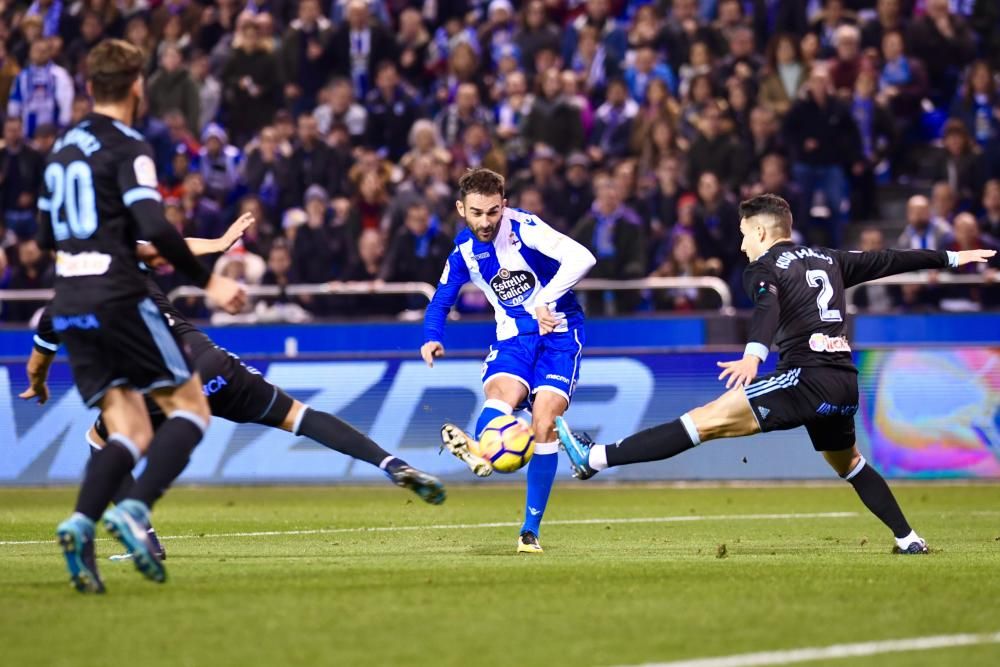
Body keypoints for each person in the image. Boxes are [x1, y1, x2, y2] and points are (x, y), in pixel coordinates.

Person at [555, 194, 996, 555]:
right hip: (843, 382)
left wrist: (753, 354)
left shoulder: (764, 268)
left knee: (703, 422)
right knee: (850, 463)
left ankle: (594, 459)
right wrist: (954, 258)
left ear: (762, 231)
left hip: (805, 377)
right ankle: (908, 538)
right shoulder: (830, 258)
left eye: (744, 234)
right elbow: (891, 259)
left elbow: (768, 306)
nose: (742, 244)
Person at [22, 218, 446, 562]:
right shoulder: (125, 255)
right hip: (211, 362)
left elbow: (38, 363)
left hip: (161, 384)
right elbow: (174, 245)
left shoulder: (61, 304)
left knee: (99, 438)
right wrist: (221, 242)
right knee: (297, 416)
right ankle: (390, 463)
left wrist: (38, 386)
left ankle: (144, 538)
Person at [37, 39, 246, 594]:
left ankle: (80, 525)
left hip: (71, 301)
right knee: (192, 409)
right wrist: (210, 279)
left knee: (123, 430)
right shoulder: (130, 145)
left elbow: (42, 236)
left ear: (87, 87)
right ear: (136, 86)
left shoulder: (60, 152)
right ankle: (133, 509)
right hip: (120, 297)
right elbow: (153, 226)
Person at [420, 168, 596, 554]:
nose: (486, 222)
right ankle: (483, 450)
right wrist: (432, 338)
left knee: (544, 422)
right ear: (461, 209)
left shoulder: (526, 228)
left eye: (493, 212)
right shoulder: (464, 253)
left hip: (560, 333)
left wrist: (543, 301)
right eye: (477, 213)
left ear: (505, 205)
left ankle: (529, 531)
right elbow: (441, 300)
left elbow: (583, 258)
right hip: (513, 337)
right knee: (503, 395)